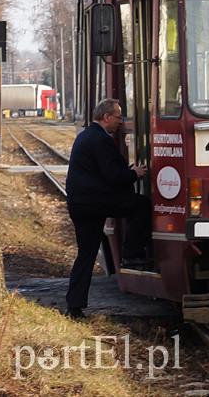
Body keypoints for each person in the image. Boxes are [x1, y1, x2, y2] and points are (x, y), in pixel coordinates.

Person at [64, 98, 151, 319]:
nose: (120, 122)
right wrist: (135, 174)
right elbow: (113, 177)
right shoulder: (101, 140)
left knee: (86, 253)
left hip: (81, 204)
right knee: (141, 206)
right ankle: (132, 255)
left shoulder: (85, 136)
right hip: (96, 203)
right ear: (106, 117)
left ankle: (74, 306)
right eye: (118, 117)